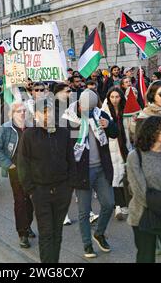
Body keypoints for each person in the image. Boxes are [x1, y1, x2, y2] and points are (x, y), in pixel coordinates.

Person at [17, 100, 77, 263]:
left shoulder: (63, 133)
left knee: (57, 233)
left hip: (62, 191)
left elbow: (70, 160)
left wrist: (70, 187)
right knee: (46, 233)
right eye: (42, 112)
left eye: (49, 111)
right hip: (40, 192)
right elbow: (23, 165)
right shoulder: (29, 135)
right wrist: (31, 190)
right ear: (35, 115)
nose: (46, 115)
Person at [62, 89, 118, 258]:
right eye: (84, 108)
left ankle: (99, 233)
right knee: (84, 212)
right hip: (81, 171)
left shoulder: (100, 114)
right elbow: (63, 148)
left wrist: (109, 126)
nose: (86, 111)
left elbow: (115, 133)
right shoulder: (68, 119)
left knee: (109, 204)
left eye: (90, 108)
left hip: (101, 168)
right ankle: (87, 244)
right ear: (79, 104)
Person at [126, 116, 161, 263]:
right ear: (152, 132)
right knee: (146, 257)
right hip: (142, 215)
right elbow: (139, 192)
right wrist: (160, 212)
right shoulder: (135, 156)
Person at [0, 102, 35, 249]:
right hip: (16, 169)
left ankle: (27, 225)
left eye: (24, 111)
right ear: (12, 114)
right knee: (20, 200)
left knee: (31, 201)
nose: (22, 113)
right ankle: (22, 233)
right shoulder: (5, 128)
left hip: (33, 170)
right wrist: (8, 165)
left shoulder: (32, 126)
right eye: (18, 111)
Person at [102, 87, 131, 221]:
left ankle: (126, 203)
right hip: (112, 146)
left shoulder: (127, 109)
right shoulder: (105, 111)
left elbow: (132, 129)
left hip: (126, 146)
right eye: (112, 97)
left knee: (126, 174)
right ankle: (118, 205)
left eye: (117, 97)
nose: (114, 100)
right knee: (115, 175)